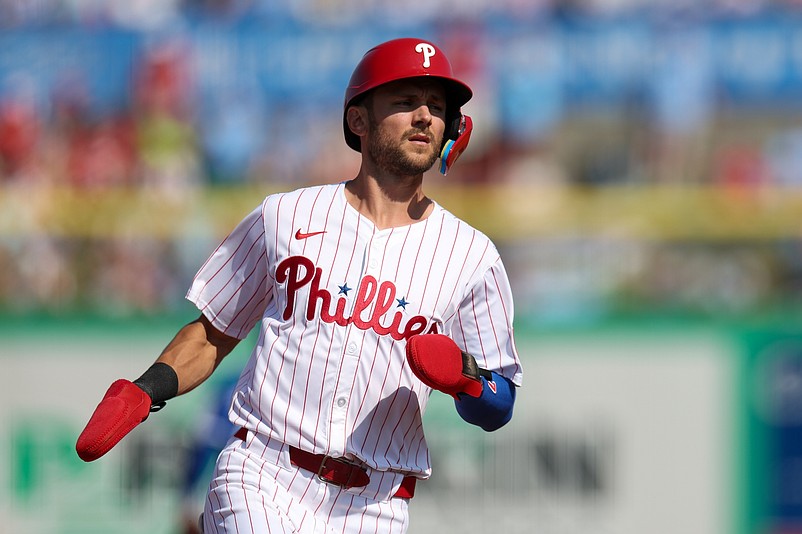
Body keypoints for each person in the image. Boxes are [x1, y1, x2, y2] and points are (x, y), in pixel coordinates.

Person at [76, 37, 523, 533]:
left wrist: (465, 379)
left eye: (436, 107)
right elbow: (213, 332)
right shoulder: (285, 217)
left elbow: (499, 399)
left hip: (377, 504)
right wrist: (147, 389)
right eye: (404, 101)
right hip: (264, 474)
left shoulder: (473, 256)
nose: (423, 116)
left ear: (452, 129)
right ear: (358, 119)